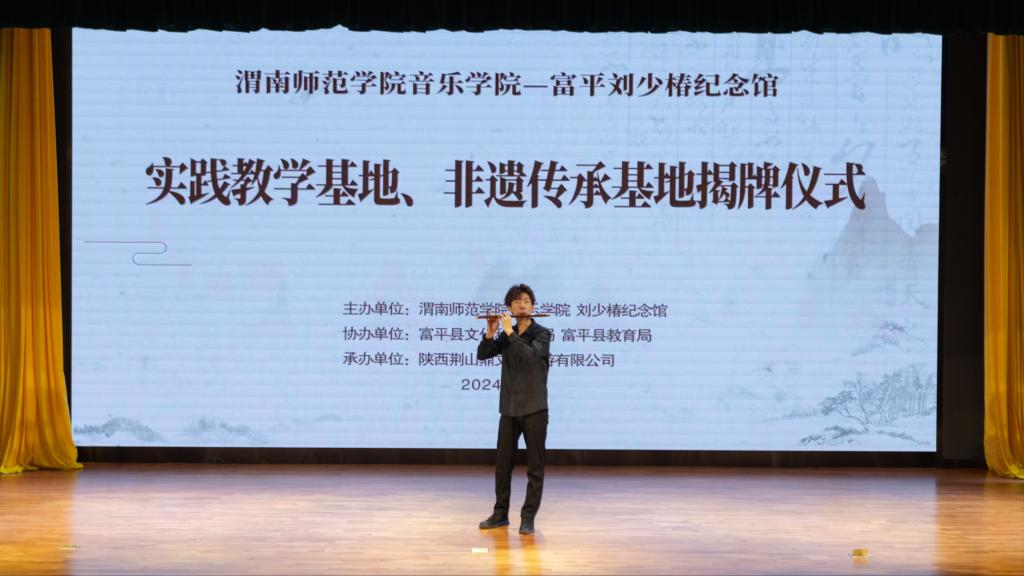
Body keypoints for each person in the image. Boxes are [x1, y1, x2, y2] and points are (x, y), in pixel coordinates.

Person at [476, 283, 551, 536]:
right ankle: (500, 515)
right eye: (517, 301)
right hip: (509, 408)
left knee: (535, 467)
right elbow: (483, 354)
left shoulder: (542, 334)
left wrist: (509, 332)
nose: (523, 305)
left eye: (527, 301)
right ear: (509, 307)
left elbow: (530, 356)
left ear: (533, 306)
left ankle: (528, 518)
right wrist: (491, 332)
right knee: (502, 464)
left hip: (535, 408)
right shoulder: (508, 335)